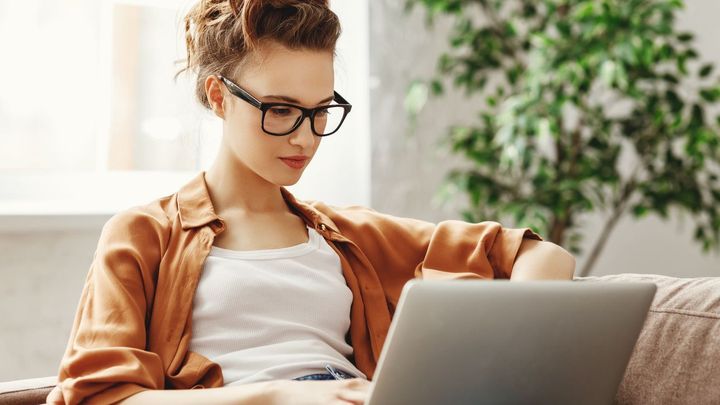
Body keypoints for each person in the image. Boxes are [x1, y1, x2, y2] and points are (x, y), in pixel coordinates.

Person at [45, 0, 575, 404]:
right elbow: (102, 396)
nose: (305, 137)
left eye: (322, 110)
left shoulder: (346, 236)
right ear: (217, 96)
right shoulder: (143, 234)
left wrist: (511, 358)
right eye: (280, 110)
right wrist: (284, 394)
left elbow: (542, 256)